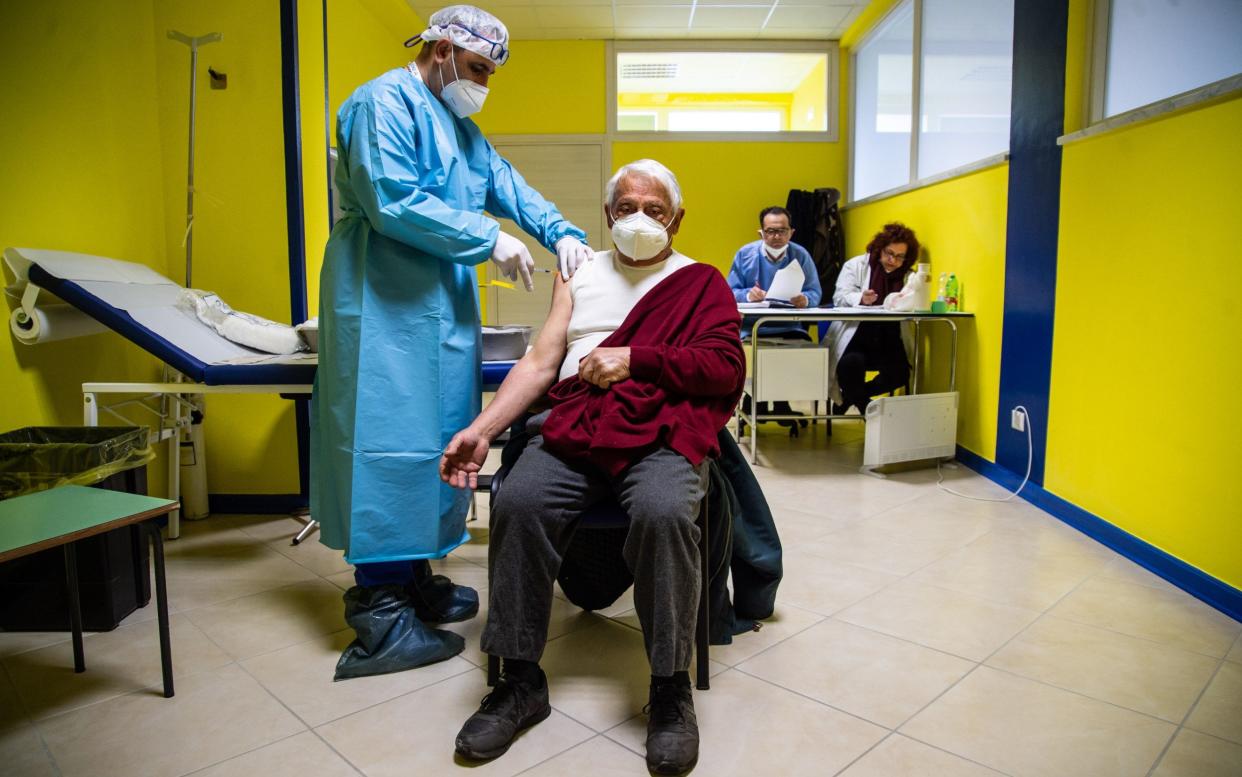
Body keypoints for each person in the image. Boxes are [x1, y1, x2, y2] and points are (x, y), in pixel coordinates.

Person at [311, 4, 595, 669]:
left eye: (490, 75)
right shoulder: (380, 103)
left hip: (437, 309)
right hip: (380, 306)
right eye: (474, 69)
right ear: (440, 50)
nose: (481, 86)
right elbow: (391, 198)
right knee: (385, 439)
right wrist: (484, 237)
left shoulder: (460, 128)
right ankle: (378, 611)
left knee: (436, 438)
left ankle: (411, 578)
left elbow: (506, 184)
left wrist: (560, 231)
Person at [440, 160, 745, 775]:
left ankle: (668, 689)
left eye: (654, 209)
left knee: (663, 512)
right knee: (520, 502)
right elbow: (540, 362)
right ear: (608, 215)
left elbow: (724, 369)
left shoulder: (701, 281)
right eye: (626, 206)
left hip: (658, 430)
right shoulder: (577, 274)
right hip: (575, 426)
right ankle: (519, 681)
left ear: (676, 220)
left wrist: (638, 359)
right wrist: (481, 429)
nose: (639, 218)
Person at [726, 206, 823, 428]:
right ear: (761, 232)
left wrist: (805, 300)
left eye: (782, 231)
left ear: (791, 232)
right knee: (757, 355)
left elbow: (815, 292)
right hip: (754, 327)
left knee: (790, 355)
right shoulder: (745, 254)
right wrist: (748, 295)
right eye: (770, 231)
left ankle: (780, 402)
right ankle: (755, 401)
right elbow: (730, 291)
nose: (776, 237)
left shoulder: (800, 255)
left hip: (790, 328)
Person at [826, 222, 920, 415]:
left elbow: (916, 303)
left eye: (899, 256)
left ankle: (850, 398)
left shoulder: (909, 277)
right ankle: (872, 414)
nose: (892, 260)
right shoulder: (856, 266)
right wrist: (860, 298)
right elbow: (839, 297)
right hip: (856, 338)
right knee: (849, 366)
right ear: (880, 248)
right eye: (889, 253)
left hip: (889, 340)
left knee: (900, 373)